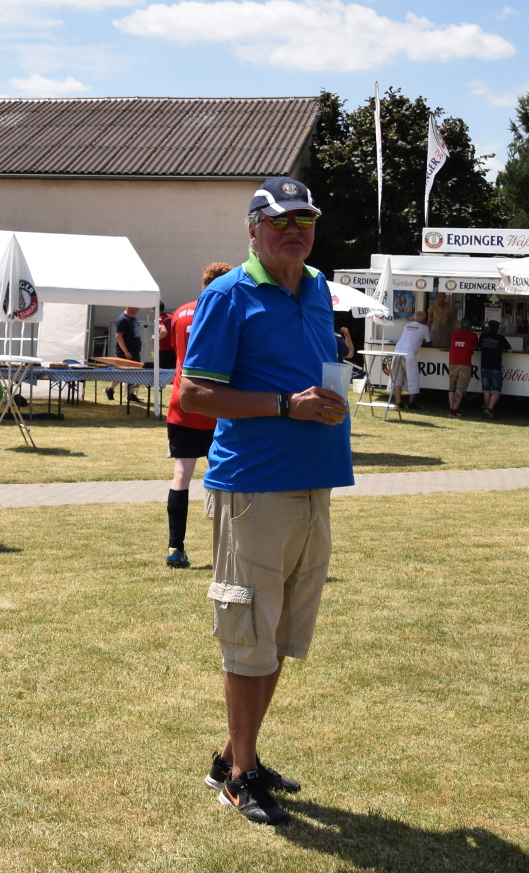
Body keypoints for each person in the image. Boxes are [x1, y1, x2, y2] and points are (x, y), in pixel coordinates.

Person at [181, 176, 351, 828]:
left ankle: (234, 757)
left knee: (279, 636)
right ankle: (240, 777)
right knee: (249, 638)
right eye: (280, 220)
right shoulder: (228, 294)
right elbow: (193, 394)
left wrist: (326, 401)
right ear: (253, 229)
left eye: (305, 218)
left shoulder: (316, 290)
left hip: (315, 482)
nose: (295, 229)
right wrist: (286, 405)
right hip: (254, 487)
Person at [165, 261, 233, 569]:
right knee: (228, 477)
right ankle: (231, 548)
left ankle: (175, 548)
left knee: (182, 476)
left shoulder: (181, 312)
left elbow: (168, 346)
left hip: (182, 403)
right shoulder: (226, 311)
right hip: (217, 405)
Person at [392, 309, 429, 408]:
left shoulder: (408, 325)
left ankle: (399, 402)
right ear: (424, 319)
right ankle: (411, 402)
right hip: (409, 354)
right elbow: (429, 341)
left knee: (398, 378)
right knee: (413, 378)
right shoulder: (424, 328)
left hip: (398, 351)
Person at [477, 318, 510, 418]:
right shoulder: (500, 338)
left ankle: (488, 409)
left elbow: (479, 347)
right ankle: (490, 408)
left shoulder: (483, 336)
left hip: (484, 366)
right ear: (498, 328)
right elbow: (510, 350)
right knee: (496, 390)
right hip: (496, 367)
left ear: (489, 327)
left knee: (486, 390)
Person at [446, 316, 478, 418]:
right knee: (460, 388)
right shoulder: (473, 335)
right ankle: (455, 410)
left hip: (453, 361)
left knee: (452, 387)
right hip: (465, 363)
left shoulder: (454, 333)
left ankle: (451, 409)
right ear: (470, 327)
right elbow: (476, 345)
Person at [110, 305, 143, 402]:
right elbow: (119, 336)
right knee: (123, 373)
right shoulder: (122, 319)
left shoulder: (134, 318)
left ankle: (130, 394)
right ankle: (110, 389)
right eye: (136, 306)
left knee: (134, 373)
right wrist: (126, 352)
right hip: (126, 352)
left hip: (135, 350)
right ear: (130, 306)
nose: (138, 308)